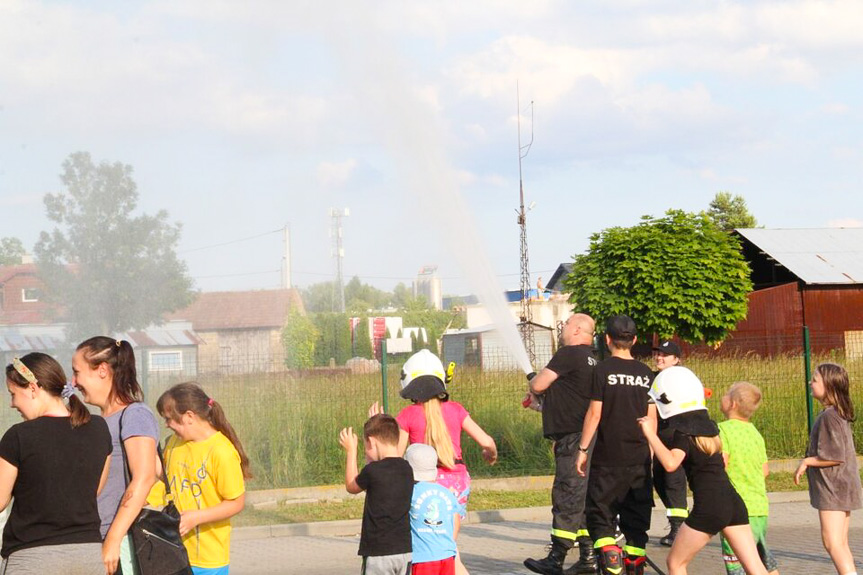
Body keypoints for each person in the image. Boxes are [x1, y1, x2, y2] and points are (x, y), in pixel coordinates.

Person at [638, 366, 770, 575]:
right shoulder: (710, 427)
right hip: (734, 502)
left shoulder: (684, 431)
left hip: (709, 506)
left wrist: (650, 434)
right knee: (756, 569)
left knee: (676, 563)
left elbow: (671, 463)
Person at [382, 349, 498, 575]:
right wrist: (490, 455)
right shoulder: (456, 410)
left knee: (439, 551)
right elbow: (487, 441)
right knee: (447, 548)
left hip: (425, 486)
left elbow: (396, 457)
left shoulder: (407, 415)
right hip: (457, 484)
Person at [0, 353, 112, 574]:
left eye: (13, 394)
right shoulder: (99, 428)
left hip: (33, 559)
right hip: (88, 556)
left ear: (33, 388)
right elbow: (94, 490)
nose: (13, 404)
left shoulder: (19, 436)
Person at [575, 315, 655, 575]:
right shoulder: (646, 374)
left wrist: (582, 450)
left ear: (607, 339)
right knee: (636, 523)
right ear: (633, 340)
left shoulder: (602, 370)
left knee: (601, 516)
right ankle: (635, 568)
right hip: (640, 459)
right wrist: (651, 454)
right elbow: (650, 419)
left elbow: (594, 414)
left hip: (608, 459)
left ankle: (611, 566)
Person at [73, 337, 160, 575]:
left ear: (102, 370)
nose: (74, 382)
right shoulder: (99, 421)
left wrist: (112, 540)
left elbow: (144, 478)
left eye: (77, 372)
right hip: (96, 537)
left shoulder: (135, 415)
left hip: (121, 544)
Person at [523, 313, 598, 575]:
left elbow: (540, 383)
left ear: (577, 330)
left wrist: (533, 384)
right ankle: (588, 557)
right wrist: (542, 406)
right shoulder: (592, 358)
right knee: (583, 496)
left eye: (566, 323)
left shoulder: (569, 353)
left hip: (573, 440)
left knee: (566, 494)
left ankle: (556, 558)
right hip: (588, 438)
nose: (563, 327)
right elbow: (570, 398)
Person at [152, 382, 250, 575]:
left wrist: (196, 517)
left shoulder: (221, 451)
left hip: (208, 560)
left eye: (169, 419)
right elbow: (167, 480)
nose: (167, 425)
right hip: (173, 551)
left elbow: (236, 503)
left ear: (189, 416)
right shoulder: (173, 443)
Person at [794, 363, 862, 575]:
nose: (810, 383)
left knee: (832, 543)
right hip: (843, 487)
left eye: (814, 380)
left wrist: (806, 462)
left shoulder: (829, 417)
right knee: (840, 544)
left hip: (834, 489)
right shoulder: (836, 413)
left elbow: (834, 456)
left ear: (829, 386)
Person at [339, 414, 413, 575]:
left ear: (372, 442)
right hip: (404, 550)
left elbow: (352, 486)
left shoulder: (372, 471)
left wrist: (351, 451)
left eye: (365, 447)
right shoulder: (407, 469)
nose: (365, 452)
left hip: (378, 552)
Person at [718, 382, 779, 575]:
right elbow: (765, 470)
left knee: (737, 562)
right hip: (759, 507)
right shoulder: (755, 433)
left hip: (737, 509)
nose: (723, 396)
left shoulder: (723, 429)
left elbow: (722, 464)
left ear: (733, 404)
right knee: (761, 557)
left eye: (727, 394)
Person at [651, 340, 690, 547]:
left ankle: (678, 528)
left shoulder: (680, 378)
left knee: (674, 479)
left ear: (676, 360)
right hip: (657, 434)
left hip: (676, 433)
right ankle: (678, 521)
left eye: (665, 355)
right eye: (658, 354)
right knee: (658, 478)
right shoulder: (653, 378)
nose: (659, 357)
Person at [405, 444, 460, 575]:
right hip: (446, 554)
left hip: (422, 557)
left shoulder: (410, 493)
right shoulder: (446, 492)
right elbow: (456, 522)